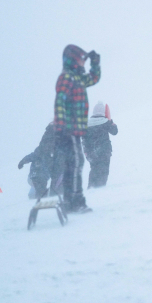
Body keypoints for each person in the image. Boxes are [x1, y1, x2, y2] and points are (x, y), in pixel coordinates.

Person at [53, 44, 100, 213]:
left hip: (75, 130)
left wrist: (95, 63)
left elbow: (94, 79)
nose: (83, 63)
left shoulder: (78, 78)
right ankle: (75, 201)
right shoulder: (67, 78)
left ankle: (70, 200)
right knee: (76, 163)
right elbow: (60, 102)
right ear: (73, 60)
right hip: (68, 129)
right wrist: (61, 127)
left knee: (74, 164)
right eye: (81, 59)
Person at [82, 101, 118, 188]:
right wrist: (110, 121)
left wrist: (86, 151)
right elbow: (114, 131)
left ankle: (91, 188)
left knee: (94, 170)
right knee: (103, 171)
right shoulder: (105, 122)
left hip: (91, 153)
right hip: (104, 151)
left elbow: (84, 138)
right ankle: (99, 191)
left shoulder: (87, 124)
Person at [18, 122, 56, 199]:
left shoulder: (40, 150)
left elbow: (32, 156)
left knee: (38, 188)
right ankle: (37, 200)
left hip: (35, 175)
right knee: (41, 191)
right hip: (40, 175)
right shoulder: (46, 150)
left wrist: (22, 162)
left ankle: (33, 197)